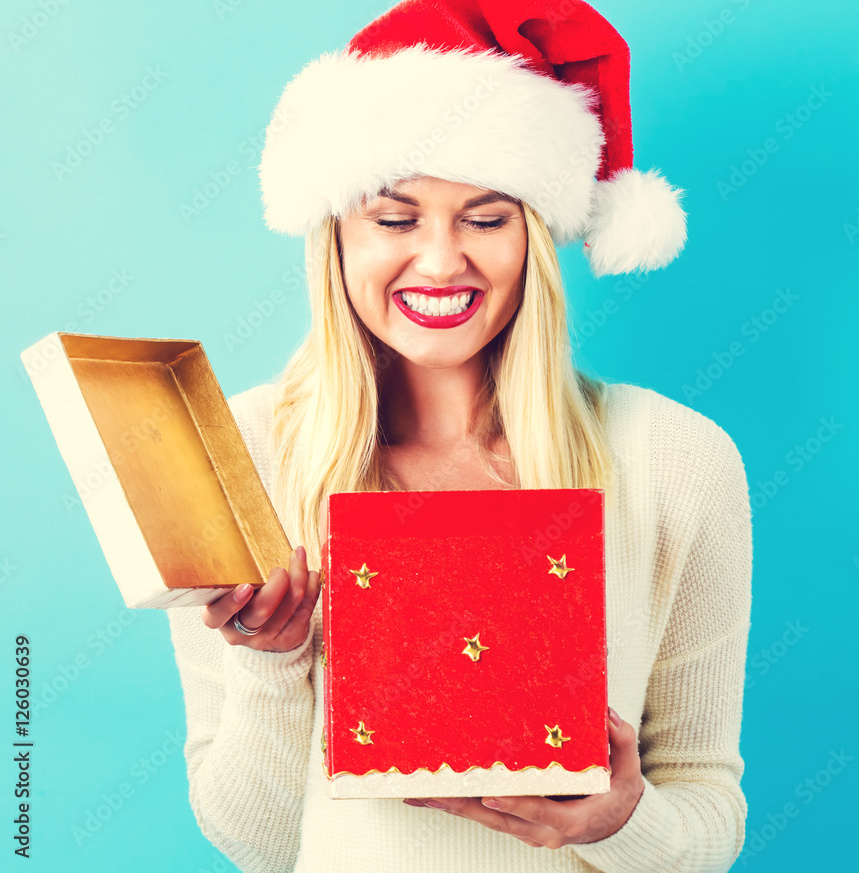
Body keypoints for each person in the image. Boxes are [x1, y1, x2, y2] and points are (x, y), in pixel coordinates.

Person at [166, 1, 753, 872]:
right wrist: (273, 662)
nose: (441, 262)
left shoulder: (675, 458)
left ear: (536, 241)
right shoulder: (237, 448)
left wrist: (623, 821)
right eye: (395, 220)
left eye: (486, 219)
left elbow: (708, 810)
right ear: (335, 238)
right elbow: (253, 840)